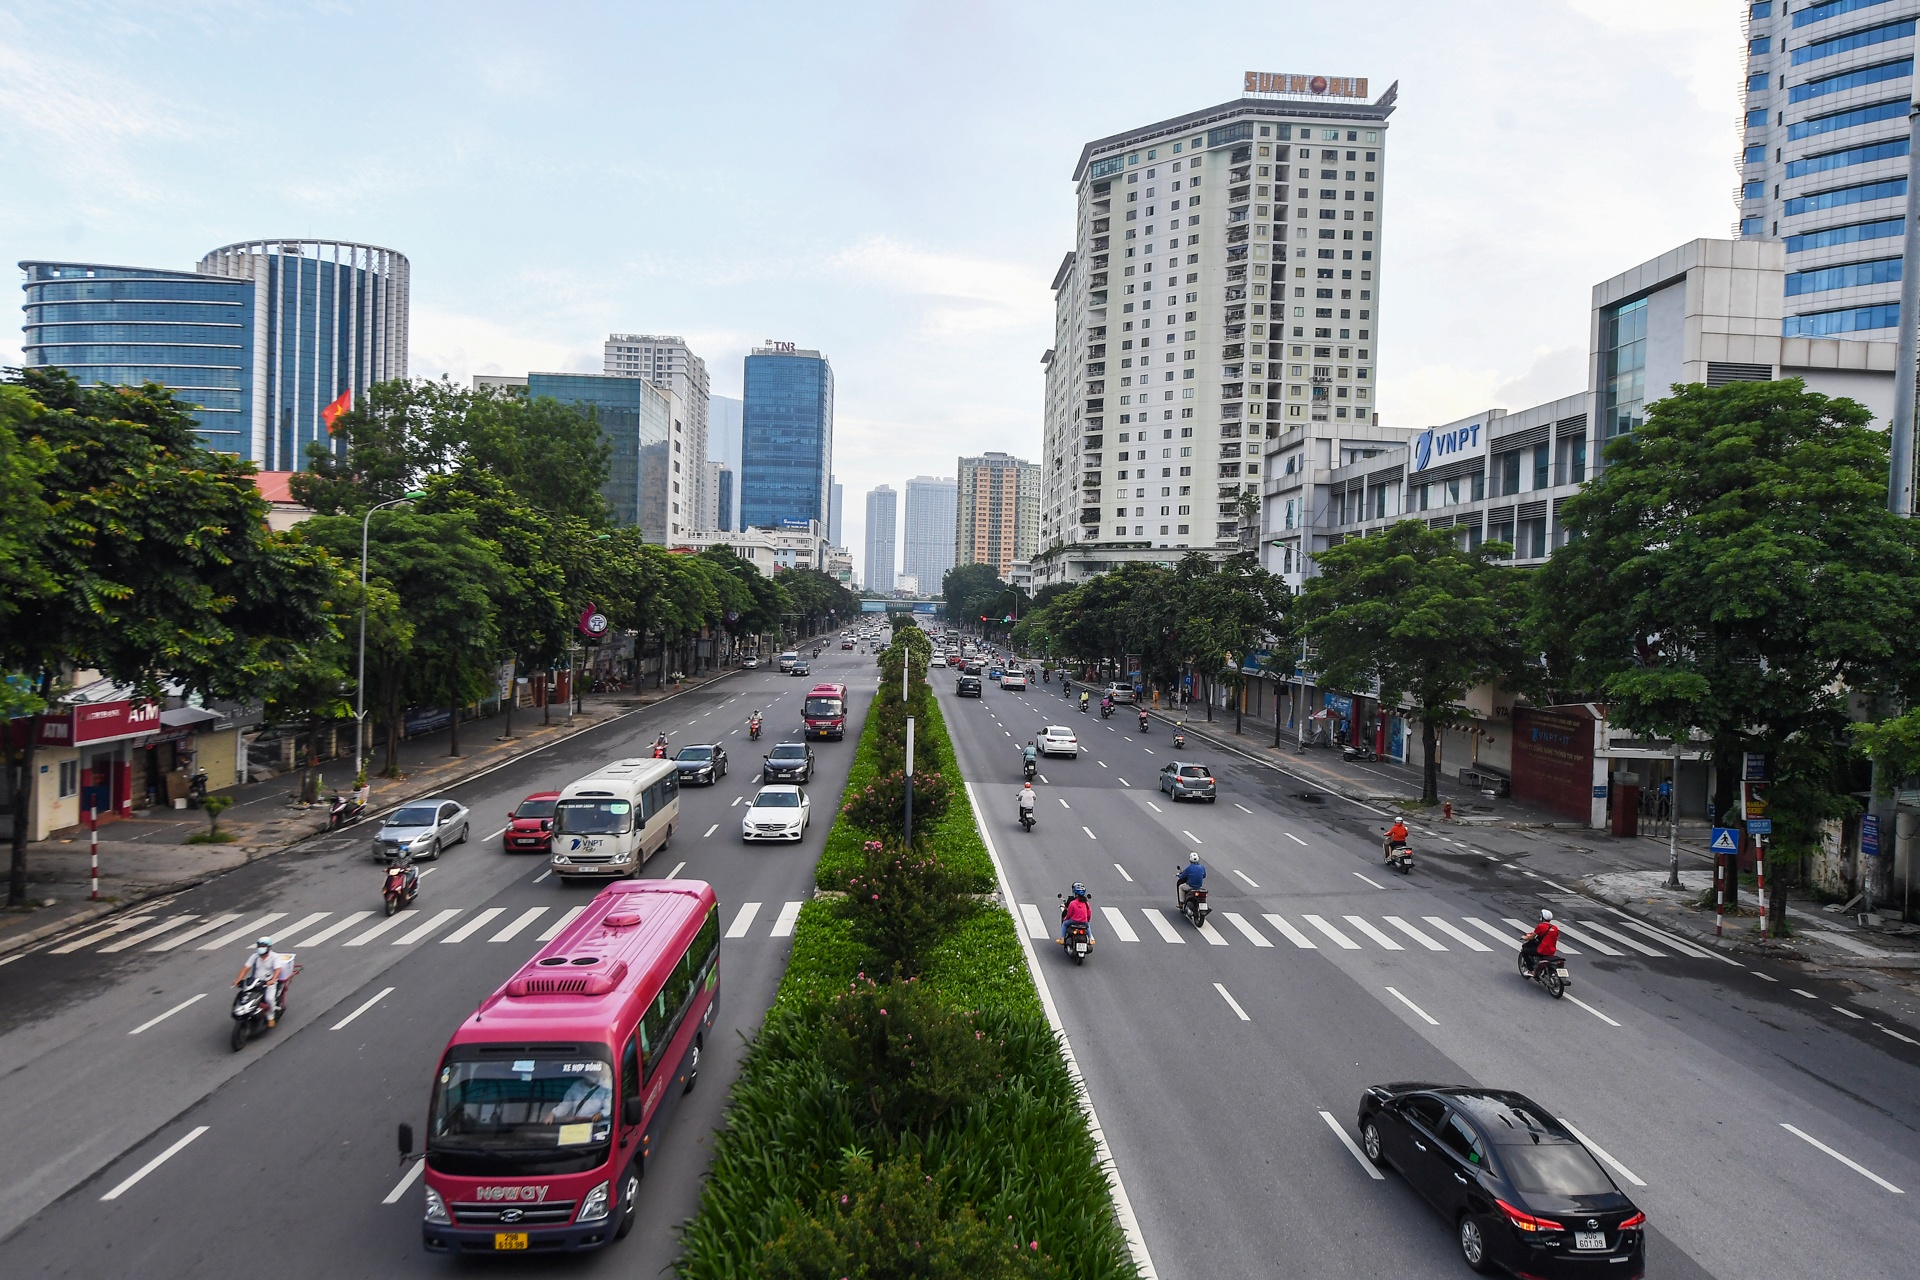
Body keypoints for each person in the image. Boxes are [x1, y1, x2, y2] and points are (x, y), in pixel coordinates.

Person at [234, 937, 294, 1028]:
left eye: (263, 946)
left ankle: (271, 1017)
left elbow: (278, 970)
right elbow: (245, 968)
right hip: (255, 983)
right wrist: (238, 979)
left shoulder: (275, 957)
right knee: (243, 996)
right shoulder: (254, 957)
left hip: (268, 983)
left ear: (269, 947)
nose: (261, 948)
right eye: (259, 946)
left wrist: (273, 980)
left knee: (269, 999)